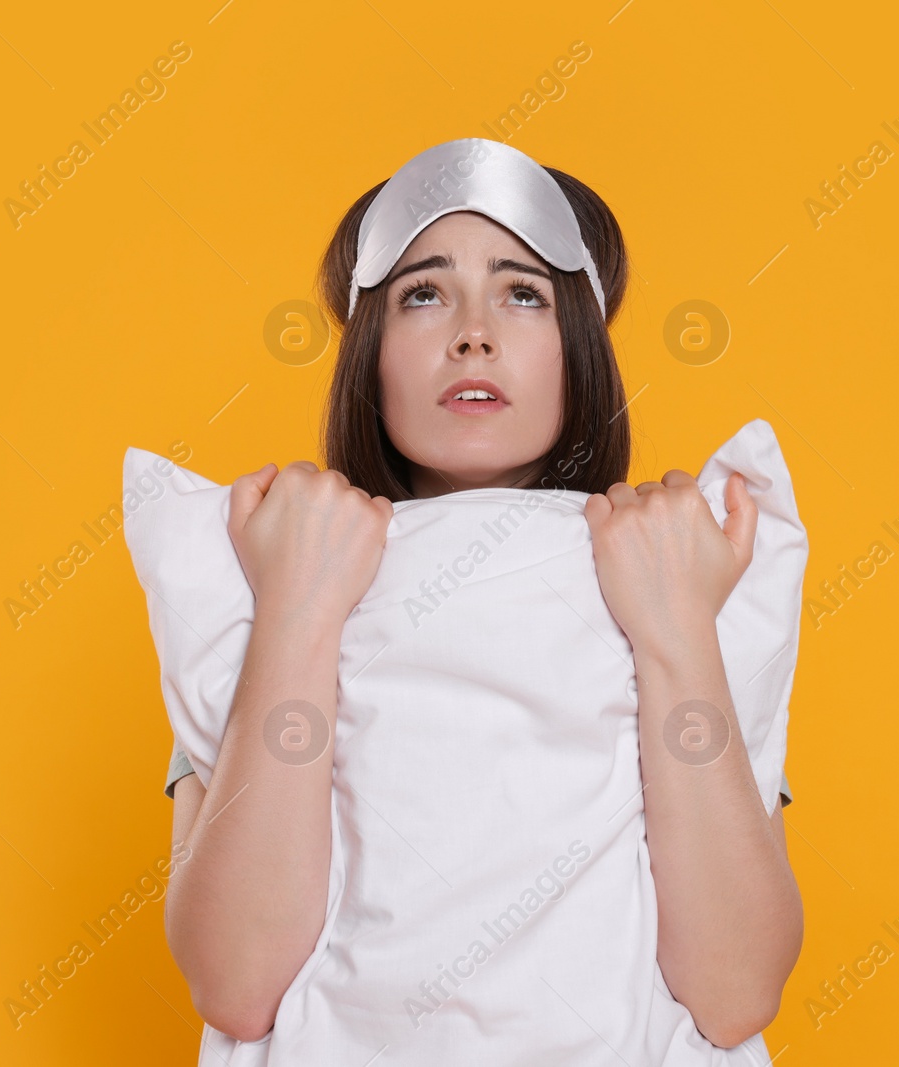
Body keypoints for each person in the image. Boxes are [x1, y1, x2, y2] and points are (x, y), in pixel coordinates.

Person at [159, 138, 803, 1064]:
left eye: (523, 292)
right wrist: (298, 608)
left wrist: (674, 629)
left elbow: (737, 992)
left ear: (576, 352)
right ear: (369, 356)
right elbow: (236, 981)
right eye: (424, 292)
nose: (474, 332)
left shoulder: (693, 563)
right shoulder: (254, 572)